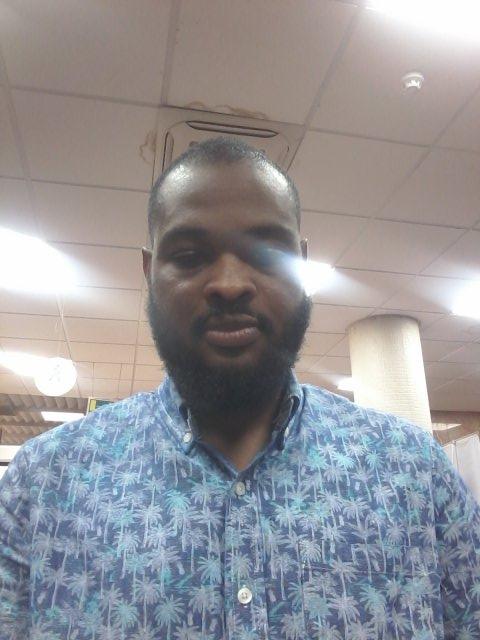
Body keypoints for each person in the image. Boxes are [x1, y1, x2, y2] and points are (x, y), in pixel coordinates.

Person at [0, 137, 479, 640]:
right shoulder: (43, 484)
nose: (229, 284)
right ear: (149, 273)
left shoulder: (414, 473)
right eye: (190, 256)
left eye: (267, 253)